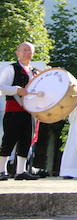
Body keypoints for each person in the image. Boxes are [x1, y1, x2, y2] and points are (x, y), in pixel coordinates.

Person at [0, 42, 40, 181]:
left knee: (25, 140)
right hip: (13, 109)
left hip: (29, 111)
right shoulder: (11, 69)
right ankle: (1, 170)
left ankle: (20, 171)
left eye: (29, 50)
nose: (26, 53)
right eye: (24, 50)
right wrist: (17, 89)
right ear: (17, 53)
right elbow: (2, 87)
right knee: (9, 139)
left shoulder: (35, 71)